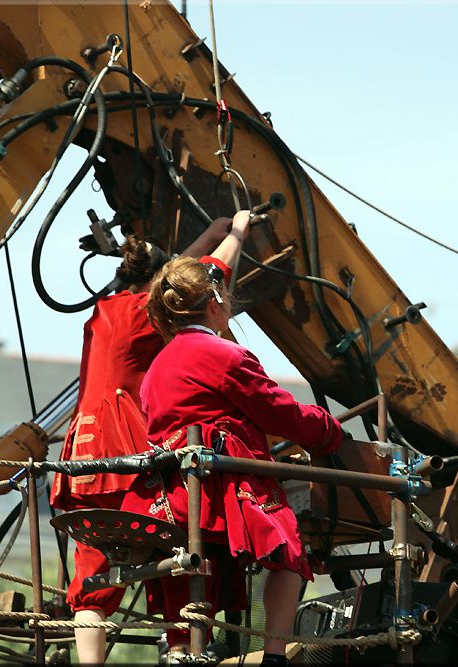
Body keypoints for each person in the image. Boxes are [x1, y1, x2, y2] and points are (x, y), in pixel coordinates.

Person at [121, 255, 344, 666]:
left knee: (189, 568)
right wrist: (329, 430)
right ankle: (274, 657)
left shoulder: (156, 367)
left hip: (171, 497)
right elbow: (281, 412)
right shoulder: (225, 355)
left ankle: (183, 651)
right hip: (219, 490)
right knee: (288, 550)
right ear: (214, 302)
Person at [49, 211, 252, 665]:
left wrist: (207, 234)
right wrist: (236, 232)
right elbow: (204, 278)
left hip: (83, 455)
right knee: (175, 540)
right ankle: (180, 648)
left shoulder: (105, 313)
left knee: (93, 564)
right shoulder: (141, 314)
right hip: (126, 449)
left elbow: (175, 272)